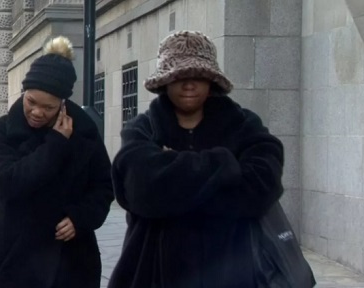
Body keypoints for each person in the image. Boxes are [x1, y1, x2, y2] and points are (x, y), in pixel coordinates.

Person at [108, 31, 285, 287]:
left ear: (211, 80)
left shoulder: (244, 125)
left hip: (231, 270)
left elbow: (262, 186)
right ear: (165, 81)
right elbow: (140, 191)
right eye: (179, 75)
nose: (189, 84)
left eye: (198, 76)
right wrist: (226, 164)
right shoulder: (142, 129)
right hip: (153, 270)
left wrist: (173, 175)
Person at [0, 36, 114, 288]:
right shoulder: (1, 132)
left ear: (62, 104)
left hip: (73, 258)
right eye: (31, 102)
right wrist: (55, 143)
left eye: (48, 107)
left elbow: (104, 186)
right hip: (17, 256)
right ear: (24, 93)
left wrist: (81, 218)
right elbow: (9, 182)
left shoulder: (84, 131)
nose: (36, 112)